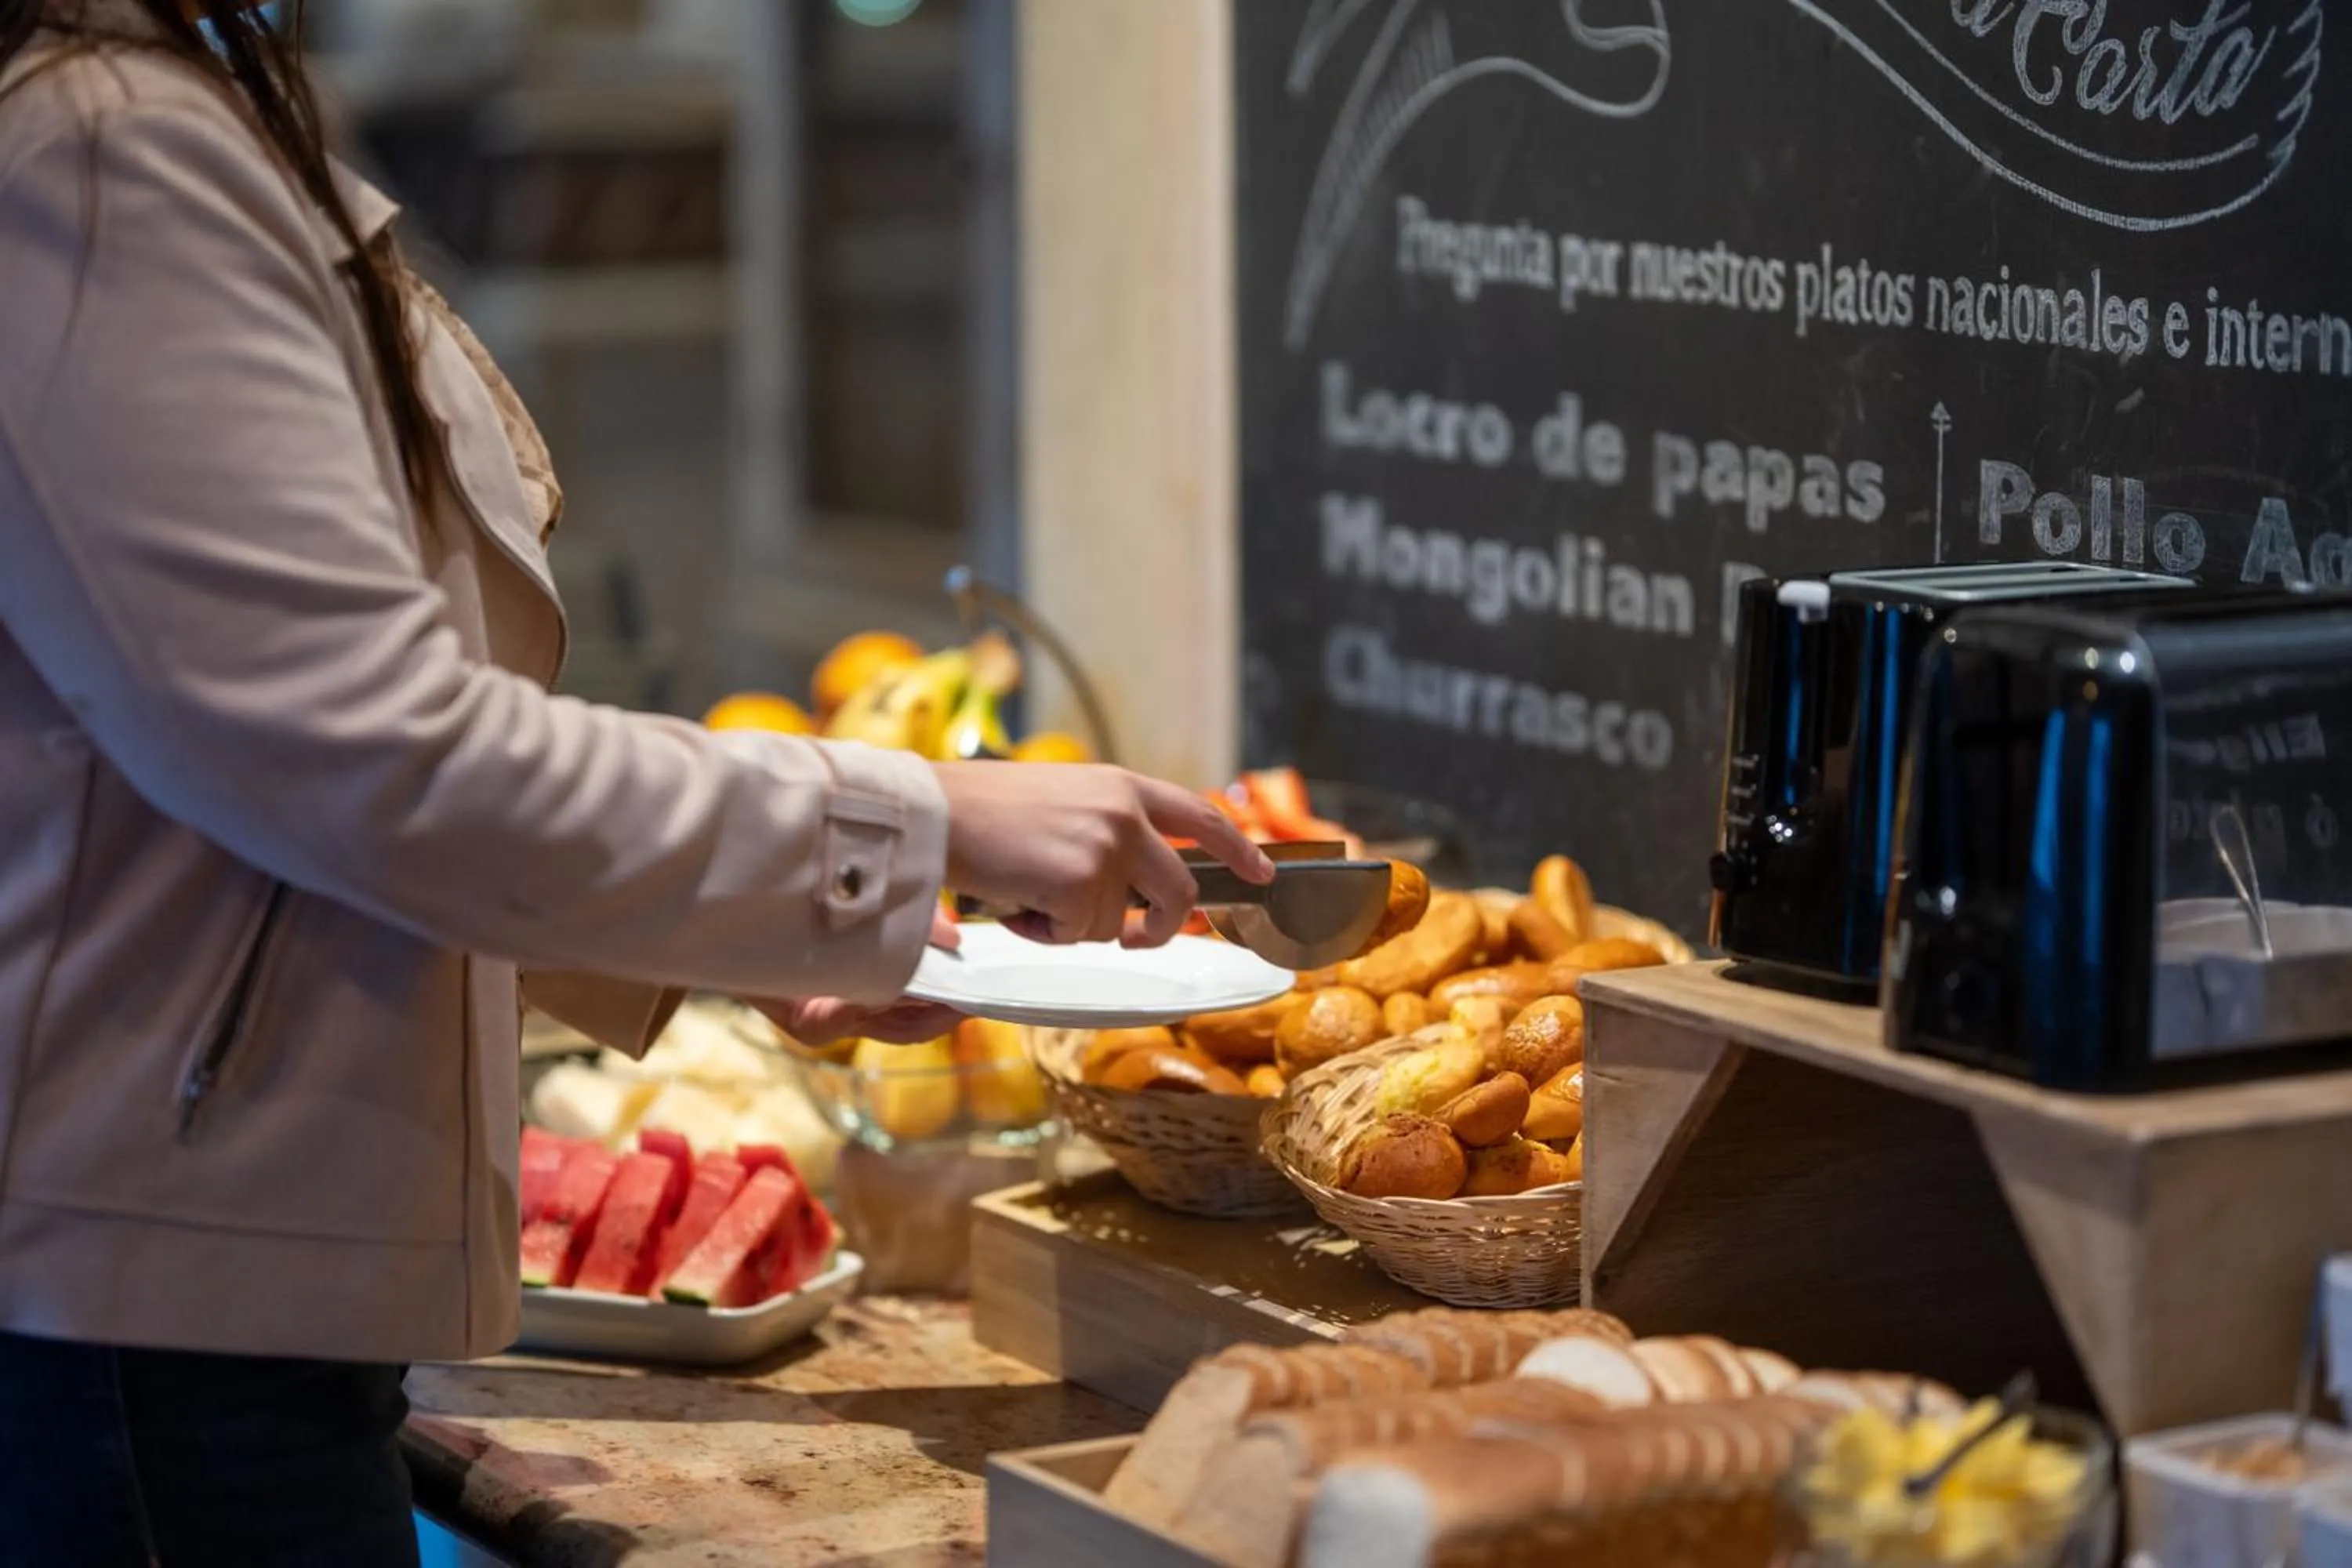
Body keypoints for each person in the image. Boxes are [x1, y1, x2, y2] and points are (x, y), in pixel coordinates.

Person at [0, 2, 1272, 1561]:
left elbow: (250, 783)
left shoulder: (135, 104)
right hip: (141, 1339)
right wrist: (913, 821)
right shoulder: (97, 137)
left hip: (174, 1299)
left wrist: (751, 932)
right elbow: (373, 758)